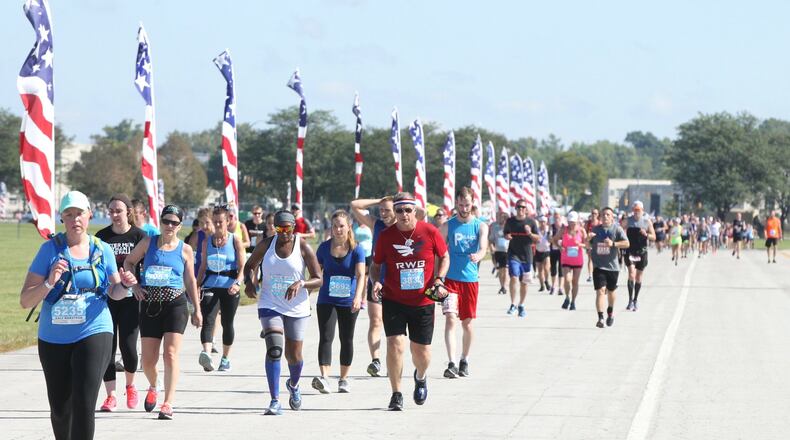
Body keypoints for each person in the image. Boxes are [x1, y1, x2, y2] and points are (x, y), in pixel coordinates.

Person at [21, 191, 138, 439]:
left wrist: (126, 285)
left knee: (84, 404)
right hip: (54, 337)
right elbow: (25, 300)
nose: (75, 219)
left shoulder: (101, 249)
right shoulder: (49, 251)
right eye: (69, 214)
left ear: (89, 215)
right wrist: (49, 282)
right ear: (62, 218)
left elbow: (115, 292)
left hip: (94, 329)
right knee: (61, 409)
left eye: (80, 214)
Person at [370, 192, 450, 411]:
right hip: (393, 299)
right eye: (399, 210)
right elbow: (375, 266)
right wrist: (376, 282)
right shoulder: (386, 236)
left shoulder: (429, 231)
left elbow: (444, 256)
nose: (403, 214)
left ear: (415, 211)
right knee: (395, 344)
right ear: (394, 213)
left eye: (407, 210)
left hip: (423, 301)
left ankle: (421, 376)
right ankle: (396, 393)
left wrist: (439, 279)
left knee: (421, 352)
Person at [123, 204, 203, 420]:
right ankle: (154, 384)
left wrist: (197, 309)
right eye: (166, 221)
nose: (169, 226)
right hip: (150, 304)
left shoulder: (185, 249)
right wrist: (135, 286)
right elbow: (129, 262)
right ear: (160, 221)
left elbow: (190, 280)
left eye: (174, 223)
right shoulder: (148, 242)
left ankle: (168, 403)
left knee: (170, 353)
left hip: (175, 305)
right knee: (148, 361)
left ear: (180, 225)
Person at [243, 210, 322, 415]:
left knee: (294, 355)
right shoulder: (266, 244)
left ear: (293, 227)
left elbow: (319, 278)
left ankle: (294, 385)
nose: (283, 232)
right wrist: (249, 283)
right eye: (279, 228)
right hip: (270, 303)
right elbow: (250, 266)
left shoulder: (302, 246)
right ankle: (274, 400)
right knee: (275, 349)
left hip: (297, 307)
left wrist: (302, 282)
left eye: (287, 228)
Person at [97, 194, 147, 412]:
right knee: (107, 348)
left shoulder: (139, 236)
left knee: (127, 346)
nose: (115, 215)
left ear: (128, 211)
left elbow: (147, 266)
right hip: (107, 298)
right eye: (111, 211)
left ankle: (131, 385)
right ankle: (111, 395)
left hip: (131, 299)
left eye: (118, 211)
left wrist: (140, 286)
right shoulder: (101, 236)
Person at [311, 210, 366, 393]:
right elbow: (316, 274)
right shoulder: (323, 248)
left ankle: (343, 378)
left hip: (349, 301)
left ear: (349, 227)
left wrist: (358, 297)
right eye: (335, 226)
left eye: (342, 226)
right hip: (326, 299)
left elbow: (360, 275)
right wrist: (306, 293)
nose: (338, 229)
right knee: (326, 337)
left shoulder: (357, 249)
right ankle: (325, 378)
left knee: (346, 339)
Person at [438, 188, 488, 379]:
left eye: (467, 204)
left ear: (472, 203)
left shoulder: (480, 226)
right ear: (456, 204)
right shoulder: (447, 226)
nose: (464, 208)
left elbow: (483, 247)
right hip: (450, 280)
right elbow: (438, 251)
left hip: (470, 280)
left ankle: (464, 359)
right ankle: (451, 363)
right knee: (450, 318)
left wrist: (479, 255)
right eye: (461, 204)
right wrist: (436, 277)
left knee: (467, 323)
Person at [196, 205, 246, 372]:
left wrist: (237, 283)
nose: (217, 225)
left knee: (227, 322)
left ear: (227, 222)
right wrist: (196, 285)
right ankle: (207, 355)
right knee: (208, 319)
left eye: (220, 222)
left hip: (229, 286)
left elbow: (243, 266)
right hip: (210, 284)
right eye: (215, 222)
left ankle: (225, 358)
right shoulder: (206, 241)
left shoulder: (235, 240)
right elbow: (203, 266)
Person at [350, 196, 396, 377]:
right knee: (376, 320)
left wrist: (397, 203)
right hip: (377, 279)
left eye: (387, 210)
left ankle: (393, 360)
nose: (383, 214)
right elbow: (355, 205)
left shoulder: (404, 226)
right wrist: (380, 201)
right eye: (381, 210)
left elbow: (421, 213)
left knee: (393, 327)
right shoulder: (376, 225)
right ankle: (375, 360)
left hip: (397, 283)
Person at [588, 207, 629, 328]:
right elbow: (587, 245)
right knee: (600, 291)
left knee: (611, 291)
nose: (605, 217)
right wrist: (587, 239)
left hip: (612, 267)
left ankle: (610, 311)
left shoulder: (617, 229)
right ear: (600, 217)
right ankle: (600, 318)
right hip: (598, 266)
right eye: (603, 215)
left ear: (612, 217)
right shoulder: (595, 229)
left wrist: (614, 244)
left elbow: (627, 243)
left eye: (608, 215)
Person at [503, 199, 540, 317]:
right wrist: (507, 236)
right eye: (518, 207)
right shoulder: (510, 221)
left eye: (523, 207)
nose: (521, 209)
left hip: (527, 256)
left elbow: (537, 239)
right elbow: (505, 233)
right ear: (515, 208)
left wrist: (529, 233)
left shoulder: (531, 222)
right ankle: (513, 304)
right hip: (513, 254)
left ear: (526, 209)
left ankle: (521, 305)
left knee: (524, 282)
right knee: (513, 277)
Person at [624, 201, 656, 312]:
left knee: (638, 277)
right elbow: (620, 231)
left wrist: (646, 234)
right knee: (631, 274)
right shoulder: (628, 221)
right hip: (630, 251)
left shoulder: (647, 222)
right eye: (635, 210)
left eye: (639, 210)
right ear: (633, 210)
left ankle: (635, 300)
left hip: (642, 252)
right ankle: (629, 300)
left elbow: (654, 237)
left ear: (642, 210)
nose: (637, 212)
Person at [553, 211, 587, 311]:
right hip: (566, 259)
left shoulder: (581, 231)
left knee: (575, 282)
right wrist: (559, 247)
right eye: (570, 222)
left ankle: (573, 302)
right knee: (567, 280)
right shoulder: (563, 230)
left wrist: (579, 245)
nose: (572, 224)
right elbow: (554, 240)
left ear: (577, 221)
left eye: (574, 222)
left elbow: (587, 245)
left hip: (577, 260)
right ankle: (567, 297)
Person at [488, 211, 510, 295]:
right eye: (500, 217)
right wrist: (491, 246)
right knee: (501, 270)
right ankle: (502, 286)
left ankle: (505, 286)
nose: (501, 219)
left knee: (506, 270)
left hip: (507, 251)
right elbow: (491, 239)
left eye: (503, 218)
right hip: (498, 251)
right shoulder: (495, 227)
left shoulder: (509, 228)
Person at [534, 216, 552, 292]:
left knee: (547, 268)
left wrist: (549, 237)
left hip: (546, 251)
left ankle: (546, 281)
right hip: (538, 251)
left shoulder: (548, 230)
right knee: (540, 270)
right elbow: (533, 240)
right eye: (541, 222)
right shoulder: (536, 230)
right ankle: (542, 285)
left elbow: (551, 240)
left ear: (546, 223)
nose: (543, 224)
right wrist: (535, 241)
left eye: (544, 222)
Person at [548, 211, 564, 296]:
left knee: (561, 269)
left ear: (561, 218)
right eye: (555, 217)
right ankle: (553, 286)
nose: (556, 219)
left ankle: (560, 287)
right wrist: (555, 242)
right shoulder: (552, 227)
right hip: (553, 250)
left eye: (558, 217)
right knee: (553, 268)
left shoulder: (563, 227)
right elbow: (550, 238)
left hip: (562, 251)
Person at [584, 209, 600, 281]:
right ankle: (590, 275)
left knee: (598, 259)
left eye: (595, 213)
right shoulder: (588, 223)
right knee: (590, 258)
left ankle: (597, 273)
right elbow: (584, 232)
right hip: (589, 243)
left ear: (598, 215)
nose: (594, 215)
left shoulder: (600, 223)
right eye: (593, 213)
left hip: (598, 243)